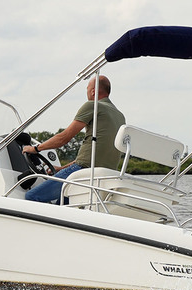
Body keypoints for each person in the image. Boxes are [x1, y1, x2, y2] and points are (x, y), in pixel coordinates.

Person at [23, 75, 125, 203]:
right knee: (63, 205)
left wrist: (35, 149)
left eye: (87, 89)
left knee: (31, 197)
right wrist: (61, 169)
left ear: (93, 91)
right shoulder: (120, 116)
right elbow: (96, 153)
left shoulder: (93, 106)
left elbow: (64, 138)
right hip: (104, 177)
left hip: (83, 172)